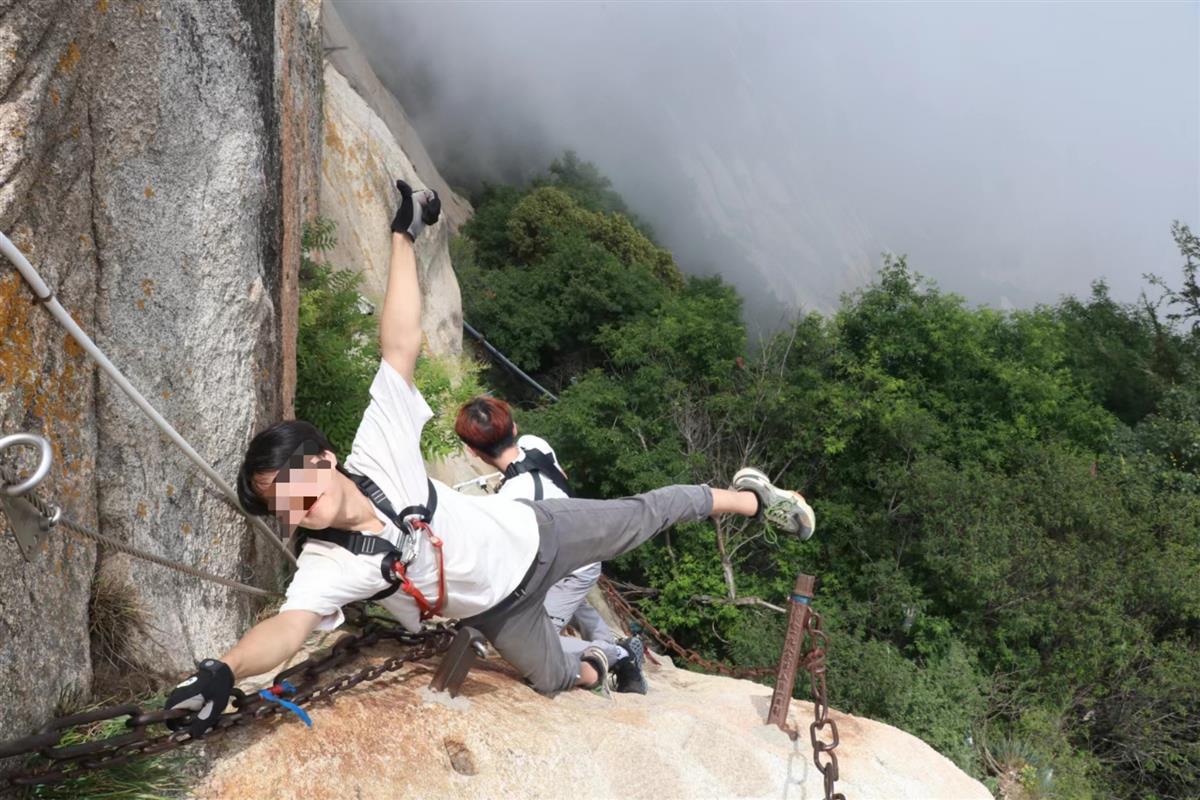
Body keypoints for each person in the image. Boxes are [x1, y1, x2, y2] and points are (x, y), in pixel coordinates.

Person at [163, 180, 817, 738]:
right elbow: (288, 628)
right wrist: (224, 668)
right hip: (496, 609)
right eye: (283, 506)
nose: (297, 507)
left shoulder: (377, 449)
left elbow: (398, 344)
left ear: (325, 457)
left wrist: (402, 239)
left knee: (645, 515)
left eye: (295, 483)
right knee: (554, 679)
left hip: (538, 531)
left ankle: (754, 499)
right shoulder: (326, 564)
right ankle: (612, 660)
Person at [454, 397, 646, 693]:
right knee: (566, 592)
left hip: (570, 565)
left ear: (472, 451)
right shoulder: (536, 444)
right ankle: (608, 640)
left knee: (544, 641)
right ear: (514, 427)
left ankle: (619, 655)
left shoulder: (508, 503)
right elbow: (562, 480)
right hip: (582, 544)